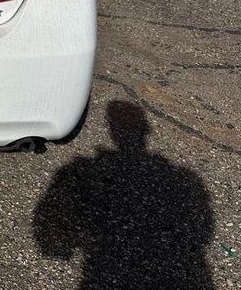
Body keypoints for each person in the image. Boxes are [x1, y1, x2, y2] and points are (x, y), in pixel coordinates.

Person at [33, 100, 215, 289]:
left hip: (105, 270)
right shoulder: (182, 178)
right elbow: (203, 230)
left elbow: (51, 237)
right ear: (146, 130)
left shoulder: (83, 169)